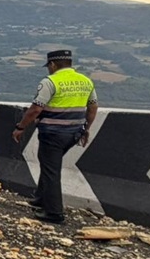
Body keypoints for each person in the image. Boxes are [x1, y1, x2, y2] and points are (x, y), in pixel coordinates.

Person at [12, 49, 99, 224]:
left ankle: (54, 213)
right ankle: (40, 199)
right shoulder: (85, 81)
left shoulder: (50, 81)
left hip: (53, 133)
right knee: (49, 165)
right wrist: (86, 128)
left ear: (52, 64)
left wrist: (20, 127)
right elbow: (93, 107)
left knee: (51, 170)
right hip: (74, 133)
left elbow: (36, 109)